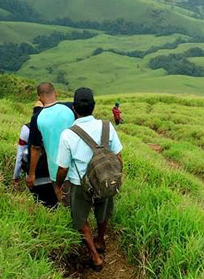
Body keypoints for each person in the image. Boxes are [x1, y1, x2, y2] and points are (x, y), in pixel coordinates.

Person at [56, 88, 123, 272]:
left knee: (80, 218)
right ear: (93, 106)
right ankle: (100, 240)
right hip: (105, 180)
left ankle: (95, 257)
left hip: (80, 184)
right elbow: (118, 157)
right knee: (103, 212)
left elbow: (63, 168)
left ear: (74, 108)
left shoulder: (68, 134)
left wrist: (58, 186)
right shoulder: (107, 126)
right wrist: (115, 178)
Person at [27, 82, 77, 208]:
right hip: (79, 165)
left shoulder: (37, 118)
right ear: (56, 93)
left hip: (58, 171)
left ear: (39, 98)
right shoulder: (70, 107)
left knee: (67, 206)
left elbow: (35, 149)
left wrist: (31, 174)